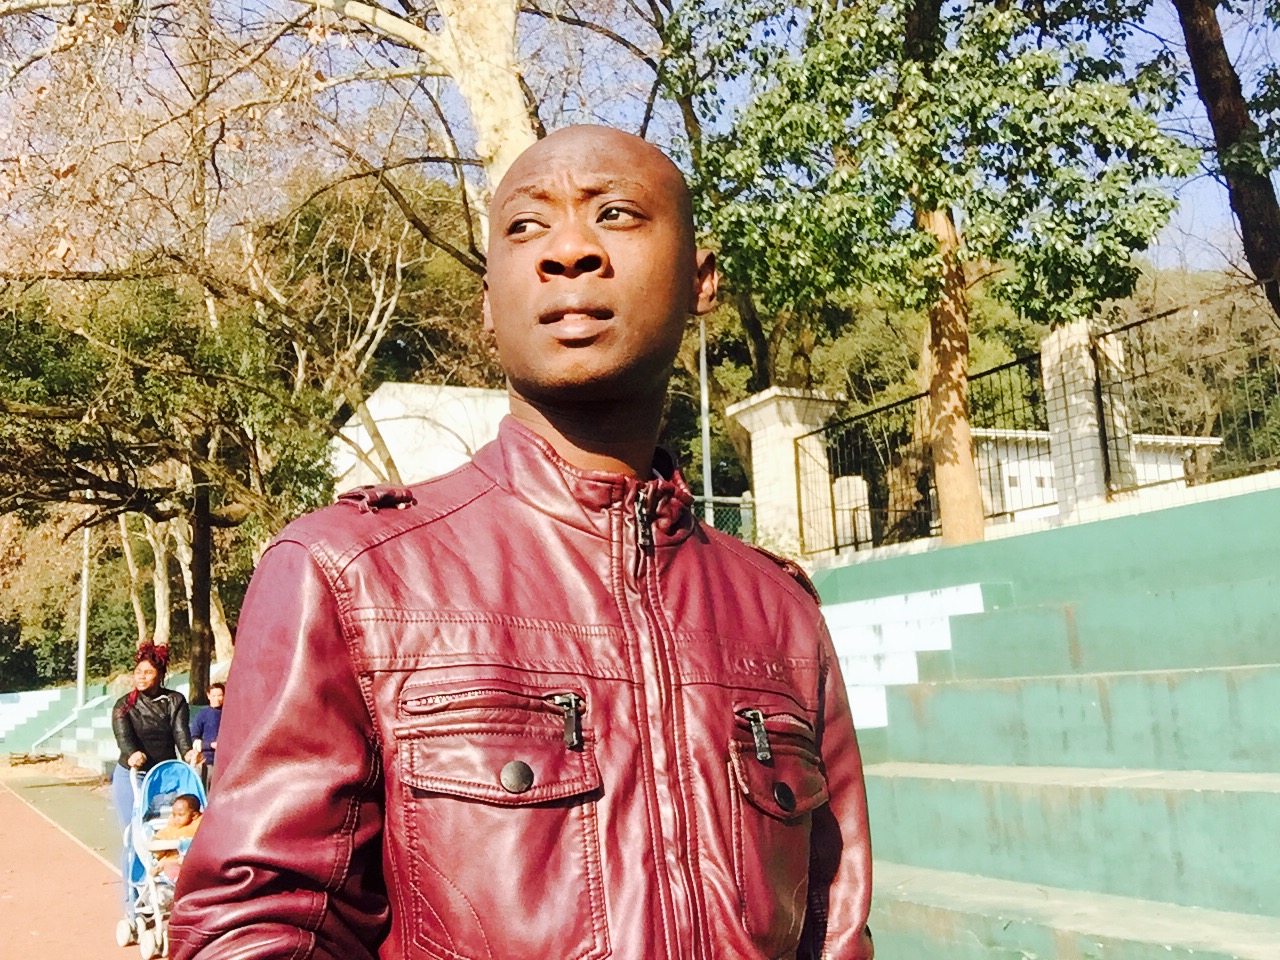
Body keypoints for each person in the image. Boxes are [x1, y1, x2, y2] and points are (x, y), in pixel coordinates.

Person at [170, 124, 873, 960]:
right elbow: (255, 925)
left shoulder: (780, 611)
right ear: (488, 303)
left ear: (701, 278)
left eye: (616, 213)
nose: (568, 251)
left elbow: (836, 928)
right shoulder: (347, 574)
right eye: (527, 227)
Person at [111, 643, 192, 915]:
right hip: (132, 776)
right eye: (138, 672)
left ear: (160, 675)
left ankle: (166, 894)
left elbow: (181, 734)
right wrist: (132, 754)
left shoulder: (175, 701)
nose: (141, 677)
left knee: (167, 836)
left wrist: (189, 752)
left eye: (147, 672)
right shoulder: (124, 706)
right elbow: (124, 739)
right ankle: (132, 905)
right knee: (134, 838)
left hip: (164, 778)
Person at [151, 793, 204, 881]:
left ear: (194, 816)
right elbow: (160, 837)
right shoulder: (171, 828)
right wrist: (157, 845)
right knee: (170, 866)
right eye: (174, 814)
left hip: (195, 860)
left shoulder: (201, 824)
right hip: (174, 860)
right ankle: (178, 879)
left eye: (180, 815)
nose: (176, 818)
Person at [186, 682, 223, 791]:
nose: (217, 699)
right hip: (208, 760)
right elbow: (193, 737)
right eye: (214, 695)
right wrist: (209, 745)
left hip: (226, 760)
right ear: (208, 696)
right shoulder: (202, 714)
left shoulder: (229, 713)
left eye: (220, 695)